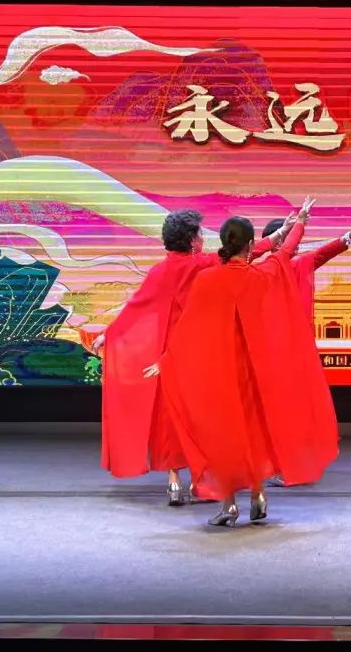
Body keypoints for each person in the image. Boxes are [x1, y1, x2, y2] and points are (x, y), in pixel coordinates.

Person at [158, 198, 339, 527]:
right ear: (251, 245)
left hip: (221, 371)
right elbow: (285, 253)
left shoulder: (207, 279)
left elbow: (188, 328)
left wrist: (168, 359)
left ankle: (229, 504)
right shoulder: (261, 275)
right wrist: (300, 221)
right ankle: (258, 495)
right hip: (255, 371)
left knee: (225, 435)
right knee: (254, 433)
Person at [95, 211, 282, 506]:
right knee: (200, 415)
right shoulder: (201, 265)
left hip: (167, 352)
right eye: (199, 234)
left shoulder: (159, 272)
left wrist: (109, 334)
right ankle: (201, 480)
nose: (202, 238)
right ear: (191, 240)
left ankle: (174, 482)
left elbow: (136, 307)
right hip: (197, 350)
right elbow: (244, 253)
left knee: (170, 417)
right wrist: (279, 237)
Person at [259, 216, 351, 487]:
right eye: (290, 237)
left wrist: (350, 236)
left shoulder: (299, 265)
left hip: (295, 352)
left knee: (294, 410)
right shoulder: (261, 271)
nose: (296, 243)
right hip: (269, 352)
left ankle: (290, 465)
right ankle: (276, 463)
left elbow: (325, 252)